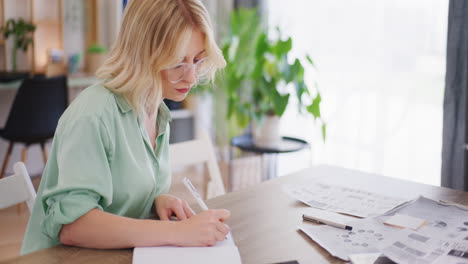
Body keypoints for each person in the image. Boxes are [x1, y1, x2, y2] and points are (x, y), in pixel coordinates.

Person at [21, 0, 230, 255]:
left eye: (197, 60)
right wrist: (178, 233)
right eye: (177, 62)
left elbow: (123, 195)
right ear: (142, 53)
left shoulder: (157, 112)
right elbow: (74, 226)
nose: (191, 76)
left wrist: (156, 200)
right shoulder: (93, 115)